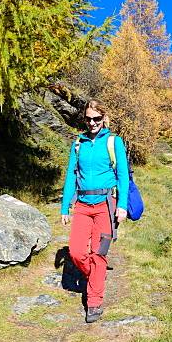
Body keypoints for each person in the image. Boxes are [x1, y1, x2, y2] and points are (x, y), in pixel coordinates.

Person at [60, 99, 129, 323]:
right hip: (81, 205)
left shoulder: (113, 142)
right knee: (76, 252)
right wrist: (65, 207)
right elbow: (71, 175)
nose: (92, 122)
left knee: (99, 254)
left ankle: (94, 302)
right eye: (88, 118)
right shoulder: (77, 144)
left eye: (97, 118)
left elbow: (123, 177)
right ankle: (96, 277)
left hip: (105, 207)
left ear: (104, 118)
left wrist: (122, 205)